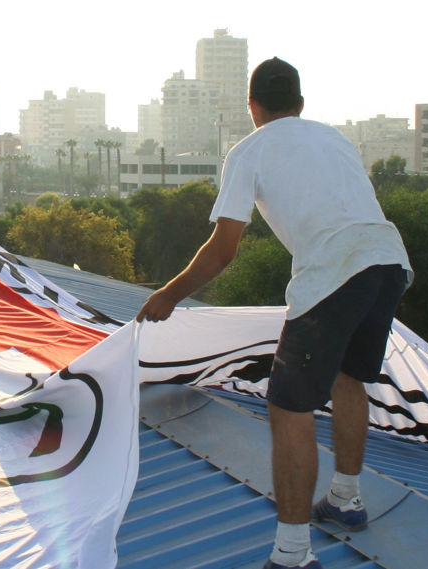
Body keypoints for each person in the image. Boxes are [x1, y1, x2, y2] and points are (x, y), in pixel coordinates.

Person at [134, 57, 411, 569]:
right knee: (350, 379)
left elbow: (223, 248)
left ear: (252, 106)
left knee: (289, 409)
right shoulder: (334, 138)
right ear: (301, 104)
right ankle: (346, 501)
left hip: (335, 272)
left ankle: (291, 554)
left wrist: (168, 295)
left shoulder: (249, 150)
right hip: (388, 262)